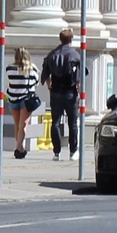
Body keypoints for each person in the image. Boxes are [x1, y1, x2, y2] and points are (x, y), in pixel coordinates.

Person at [39, 28, 83, 162]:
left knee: (55, 122)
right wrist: (79, 93)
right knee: (72, 123)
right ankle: (73, 151)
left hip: (56, 92)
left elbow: (46, 74)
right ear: (71, 40)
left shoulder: (52, 55)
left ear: (60, 39)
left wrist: (49, 86)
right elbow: (78, 78)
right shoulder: (75, 55)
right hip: (70, 92)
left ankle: (56, 152)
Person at [5, 47, 40, 160]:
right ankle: (18, 147)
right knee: (23, 125)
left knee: (17, 125)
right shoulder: (32, 69)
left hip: (13, 99)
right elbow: (37, 82)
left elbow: (11, 80)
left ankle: (21, 149)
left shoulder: (9, 68)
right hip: (26, 100)